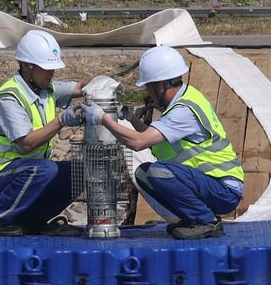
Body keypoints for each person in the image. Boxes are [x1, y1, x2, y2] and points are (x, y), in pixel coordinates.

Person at [90, 45, 243, 240]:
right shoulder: (185, 99)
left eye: (148, 87)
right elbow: (153, 138)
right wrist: (130, 118)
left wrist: (102, 118)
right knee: (144, 174)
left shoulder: (183, 111)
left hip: (223, 189)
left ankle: (207, 222)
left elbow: (139, 143)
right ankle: (193, 218)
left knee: (156, 172)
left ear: (160, 84)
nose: (148, 94)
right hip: (208, 183)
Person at [0, 29, 98, 236]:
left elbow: (79, 88)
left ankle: (32, 221)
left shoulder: (46, 89)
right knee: (44, 170)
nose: (51, 73)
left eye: (53, 68)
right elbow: (27, 144)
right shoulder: (10, 97)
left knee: (78, 173)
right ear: (28, 67)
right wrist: (61, 121)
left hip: (21, 174)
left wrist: (99, 84)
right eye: (46, 68)